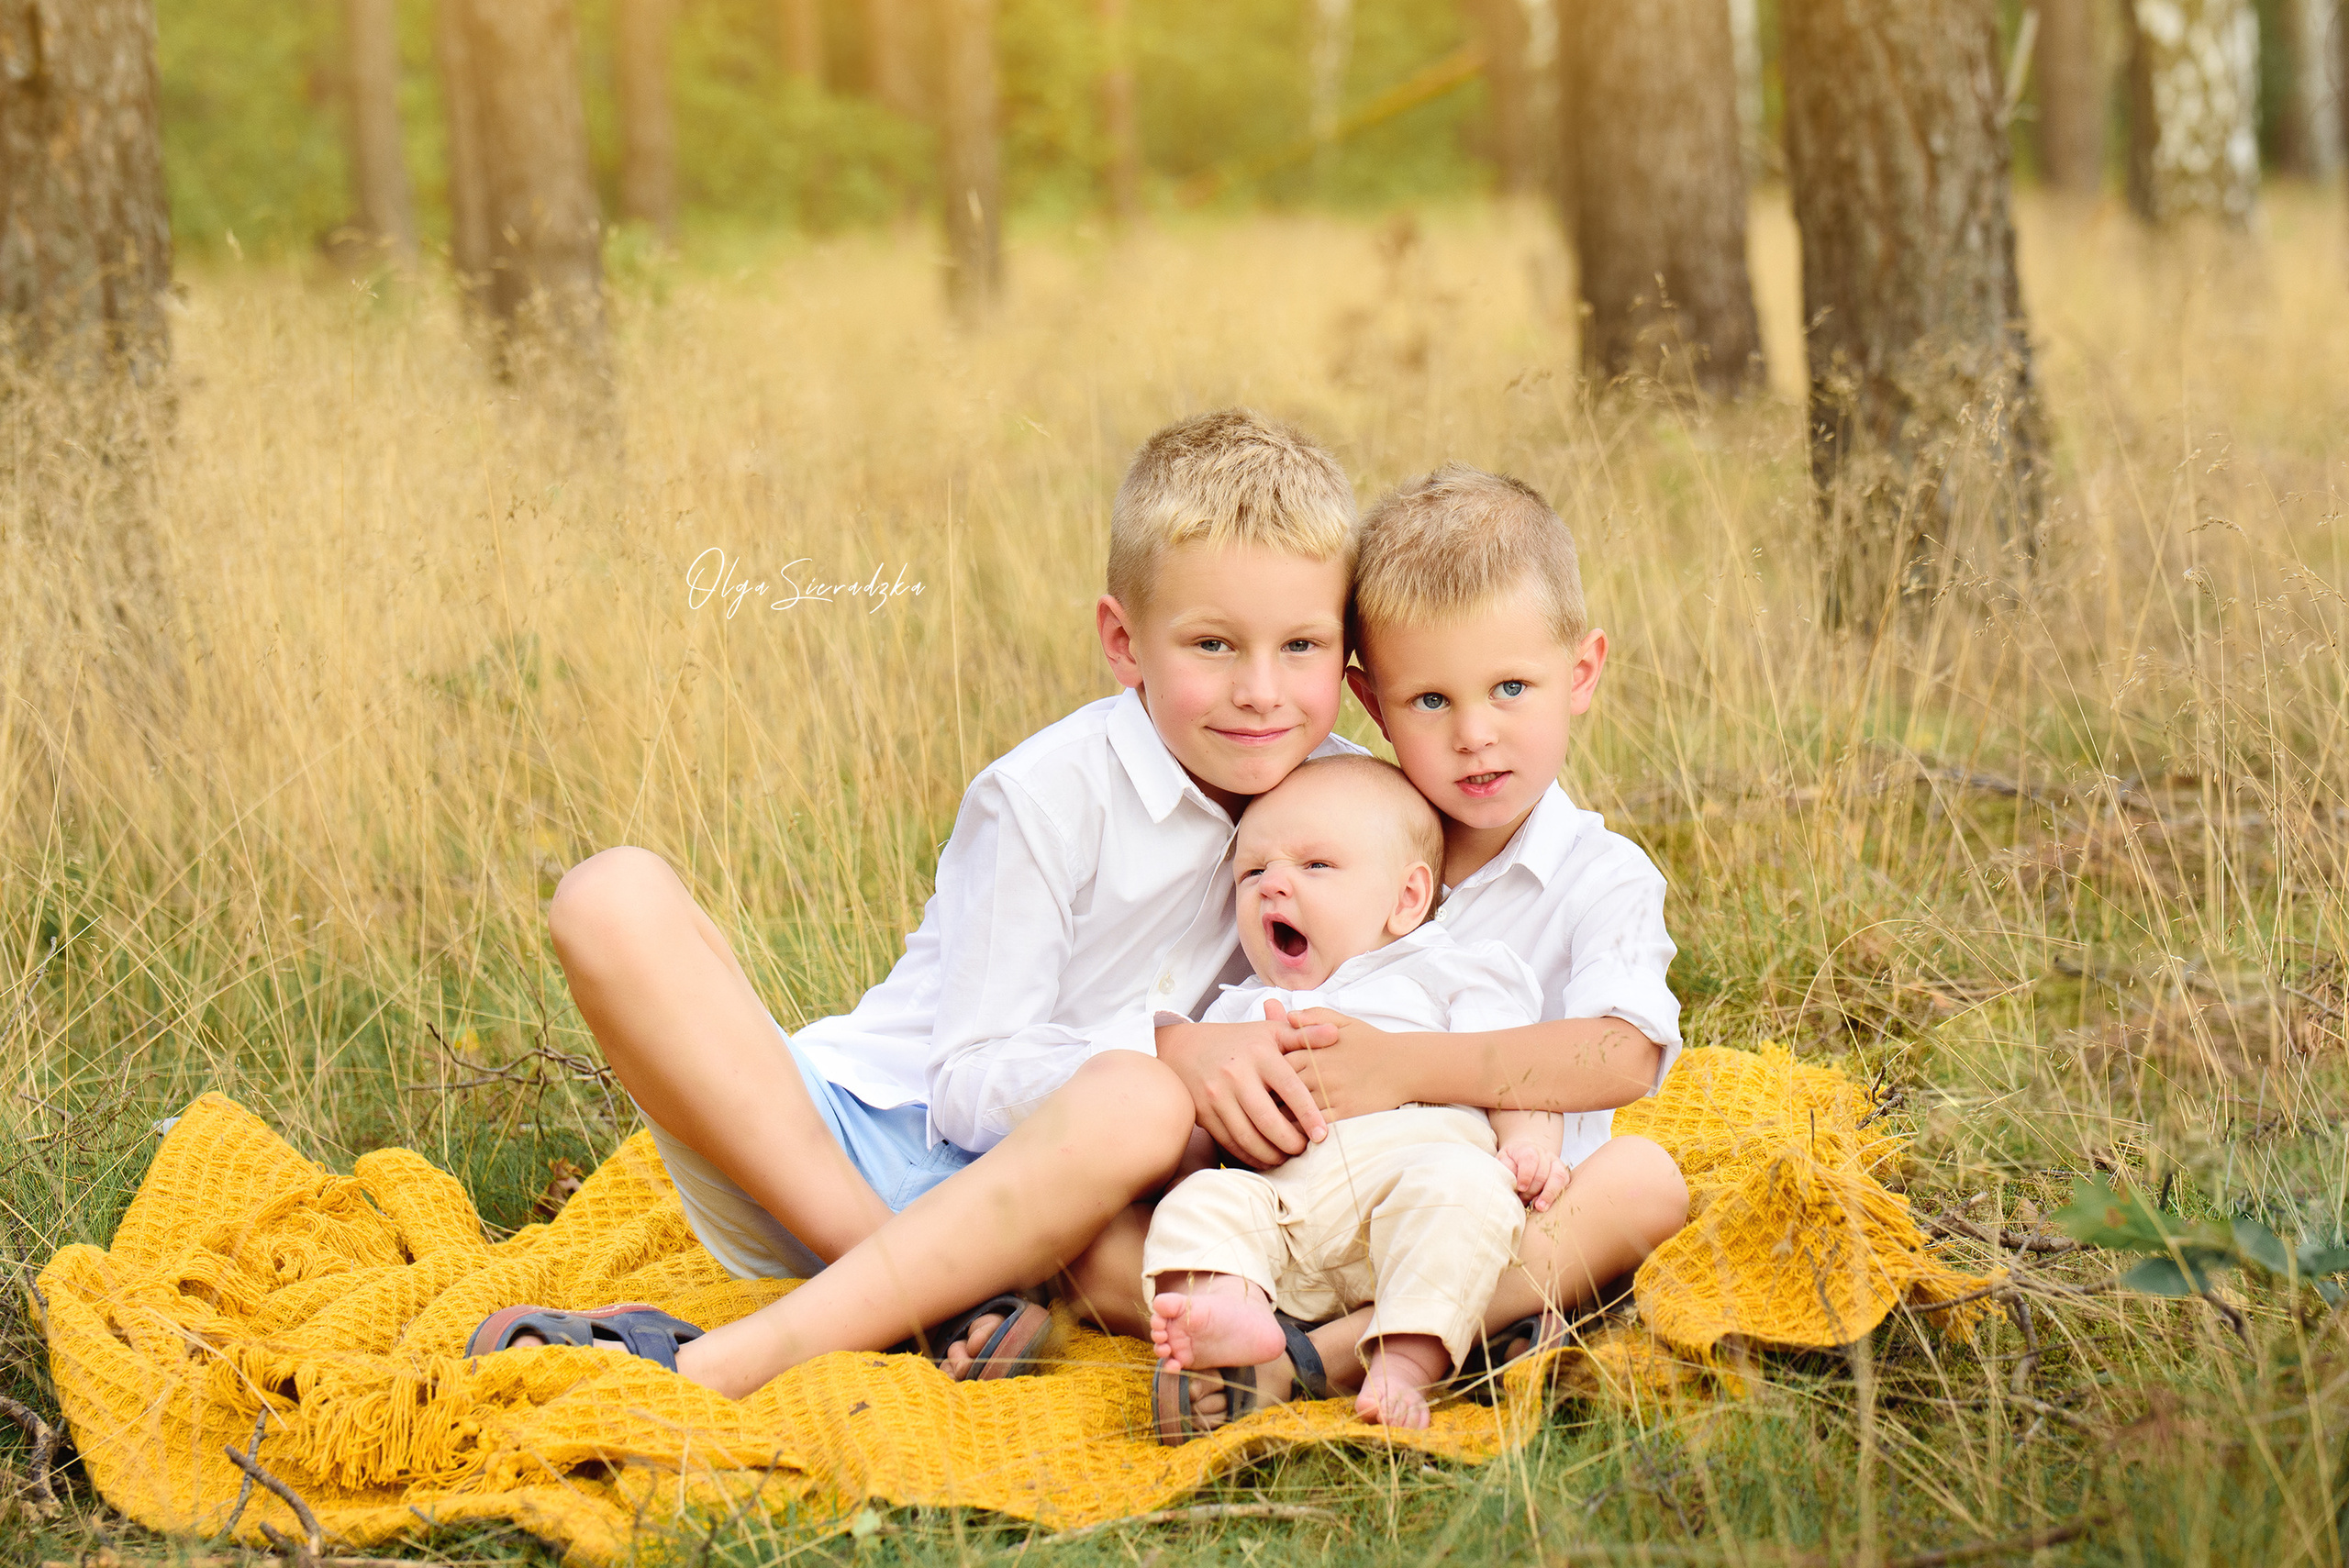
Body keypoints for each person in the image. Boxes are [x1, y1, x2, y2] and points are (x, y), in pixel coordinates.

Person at [468, 409, 1370, 1398]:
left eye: (1300, 646)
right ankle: (842, 1313)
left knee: (1199, 1182)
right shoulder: (1048, 793)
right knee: (609, 894)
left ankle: (957, 1296)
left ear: (1345, 651)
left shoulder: (1351, 802)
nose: (1259, 690)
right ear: (1124, 642)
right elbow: (968, 1083)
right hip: (845, 1153)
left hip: (1071, 1211)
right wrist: (1175, 1053)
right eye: (1211, 643)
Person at [1060, 464, 1692, 1421]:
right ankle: (1379, 1330)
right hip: (1295, 1209)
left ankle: (1303, 1360)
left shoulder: (1599, 875)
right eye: (1429, 701)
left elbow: (1624, 1051)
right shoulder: (1317, 821)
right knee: (1091, 1222)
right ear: (1369, 699)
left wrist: (1402, 1069)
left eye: (1511, 687)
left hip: (1491, 1211)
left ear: (1582, 671)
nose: (1476, 735)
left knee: (1645, 1185)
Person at [1142, 755, 1564, 1439]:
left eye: (1315, 866)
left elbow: (1511, 1067)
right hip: (1288, 1220)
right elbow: (1202, 1128)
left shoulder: (1447, 970)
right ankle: (1229, 1311)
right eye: (1253, 873)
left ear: (1406, 898)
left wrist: (1529, 1145)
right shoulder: (1236, 1012)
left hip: (1419, 1186)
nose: (1273, 886)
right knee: (1200, 1205)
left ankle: (1402, 1364)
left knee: (1468, 1189)